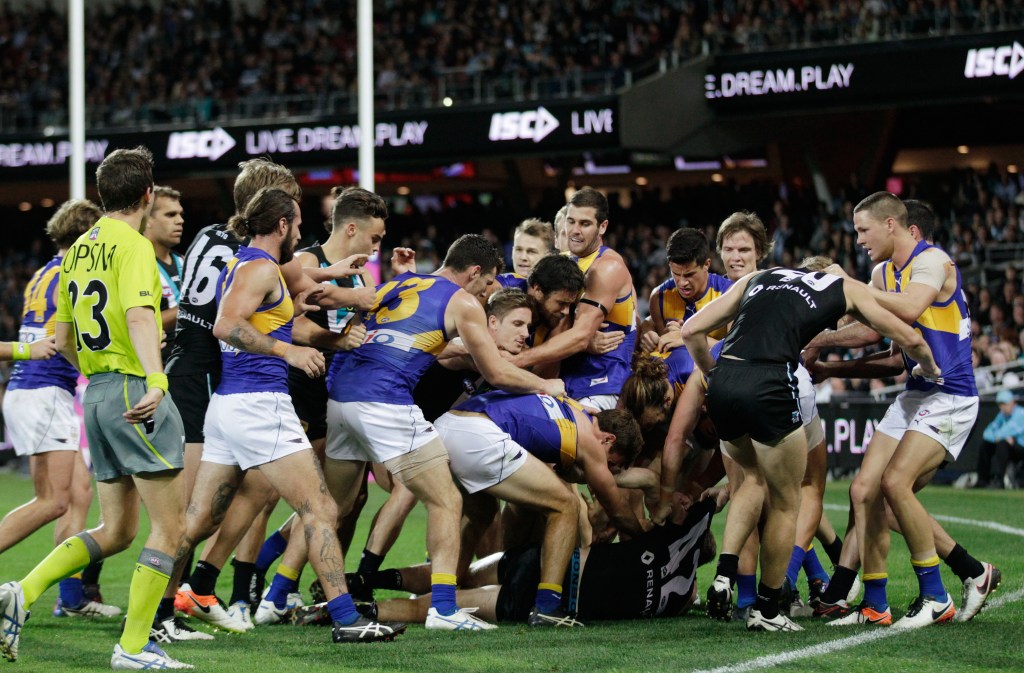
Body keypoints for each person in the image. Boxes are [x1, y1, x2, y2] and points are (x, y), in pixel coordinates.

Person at [169, 187, 402, 644]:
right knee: (321, 509)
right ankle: (347, 620)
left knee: (195, 522)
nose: (300, 232)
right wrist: (287, 351)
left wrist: (321, 288)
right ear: (281, 225)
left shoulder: (246, 264)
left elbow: (282, 296)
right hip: (260, 404)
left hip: (229, 407)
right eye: (295, 224)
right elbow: (226, 325)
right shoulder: (259, 269)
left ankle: (159, 610)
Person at [1, 146, 192, 669]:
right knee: (170, 528)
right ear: (147, 195)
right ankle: (133, 647)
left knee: (117, 530)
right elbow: (139, 317)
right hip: (134, 389)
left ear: (104, 194)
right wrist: (155, 380)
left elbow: (62, 340)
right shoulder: (133, 246)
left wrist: (99, 372)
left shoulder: (77, 251)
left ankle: (21, 591)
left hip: (97, 393)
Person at [324, 234, 565, 632]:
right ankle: (443, 610)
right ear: (474, 272)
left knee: (328, 511)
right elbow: (496, 373)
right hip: (386, 402)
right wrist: (546, 385)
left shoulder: (402, 283)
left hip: (341, 398)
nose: (490, 290)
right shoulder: (463, 302)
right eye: (488, 281)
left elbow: (355, 314)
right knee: (446, 499)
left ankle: (295, 599)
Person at [683, 262, 941, 633]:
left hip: (724, 382)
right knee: (788, 501)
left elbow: (691, 330)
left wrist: (713, 374)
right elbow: (909, 340)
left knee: (750, 479)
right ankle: (767, 608)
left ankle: (725, 573)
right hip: (771, 382)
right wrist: (930, 368)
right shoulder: (845, 287)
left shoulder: (761, 277)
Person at [811, 193, 983, 629]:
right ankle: (875, 603)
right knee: (863, 491)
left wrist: (850, 286)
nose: (858, 240)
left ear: (891, 225)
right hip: (916, 392)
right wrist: (824, 353)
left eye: (863, 230)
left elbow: (907, 308)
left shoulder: (933, 262)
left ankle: (935, 596)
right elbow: (881, 339)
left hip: (950, 395)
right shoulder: (881, 273)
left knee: (894, 484)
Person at [0, 198, 120, 619]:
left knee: (79, 494)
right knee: (52, 501)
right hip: (44, 390)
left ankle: (70, 598)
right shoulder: (73, 272)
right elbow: (71, 340)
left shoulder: (43, 273)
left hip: (35, 391)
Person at [435, 390, 646, 626]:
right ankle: (547, 606)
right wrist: (646, 540)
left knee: (481, 515)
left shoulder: (575, 410)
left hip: (448, 425)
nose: (604, 468)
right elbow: (617, 510)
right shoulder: (591, 441)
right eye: (610, 463)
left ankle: (443, 597)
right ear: (608, 440)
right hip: (479, 435)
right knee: (566, 505)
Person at [361, 497, 717, 625]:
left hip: (545, 563)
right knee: (437, 604)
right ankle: (360, 611)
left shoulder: (660, 541)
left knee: (458, 577)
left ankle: (362, 582)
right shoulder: (682, 599)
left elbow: (659, 488)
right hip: (546, 598)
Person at [512, 188, 635, 411]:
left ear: (602, 227)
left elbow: (579, 337)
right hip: (564, 377)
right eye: (571, 222)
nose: (575, 231)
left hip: (600, 382)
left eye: (585, 224)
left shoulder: (608, 267)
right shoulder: (564, 261)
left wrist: (517, 360)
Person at [643, 228, 732, 351]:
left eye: (689, 275)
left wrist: (688, 338)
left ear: (706, 264)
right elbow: (663, 347)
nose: (682, 283)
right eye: (676, 274)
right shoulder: (659, 297)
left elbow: (735, 352)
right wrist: (649, 333)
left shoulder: (729, 294)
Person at [143, 186, 184, 362]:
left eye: (180, 214)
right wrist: (190, 308)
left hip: (190, 365)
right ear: (148, 220)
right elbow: (139, 321)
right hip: (158, 365)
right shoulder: (138, 265)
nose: (180, 220)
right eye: (170, 215)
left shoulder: (184, 261)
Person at [976, 390, 1024, 489]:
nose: (1002, 407)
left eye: (1005, 404)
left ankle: (999, 480)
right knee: (986, 445)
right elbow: (987, 433)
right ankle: (982, 480)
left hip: (1021, 447)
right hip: (1010, 445)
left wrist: (1000, 436)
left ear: (1012, 402)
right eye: (1000, 404)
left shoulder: (1021, 413)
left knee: (1002, 444)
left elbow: (1006, 431)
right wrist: (999, 437)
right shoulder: (1002, 415)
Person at [497, 218, 555, 289]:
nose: (523, 257)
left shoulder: (559, 290)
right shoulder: (495, 286)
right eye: (518, 249)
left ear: (548, 257)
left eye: (531, 251)